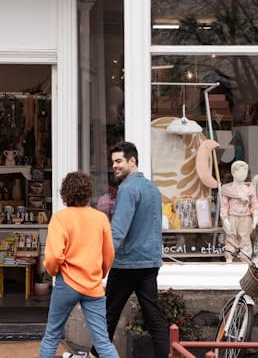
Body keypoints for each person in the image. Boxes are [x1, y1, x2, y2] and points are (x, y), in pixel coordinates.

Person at [98, 141, 169, 358]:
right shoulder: (153, 188)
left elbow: (118, 231)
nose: (115, 166)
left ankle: (96, 354)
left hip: (127, 263)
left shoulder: (128, 189)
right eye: (113, 162)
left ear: (132, 161)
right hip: (149, 262)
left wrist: (101, 260)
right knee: (153, 316)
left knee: (108, 315)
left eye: (119, 161)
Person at [39, 172, 119, 358]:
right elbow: (109, 254)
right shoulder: (100, 218)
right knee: (102, 341)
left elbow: (53, 257)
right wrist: (99, 274)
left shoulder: (60, 218)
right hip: (93, 285)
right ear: (88, 192)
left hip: (67, 283)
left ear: (65, 193)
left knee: (52, 335)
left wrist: (52, 272)